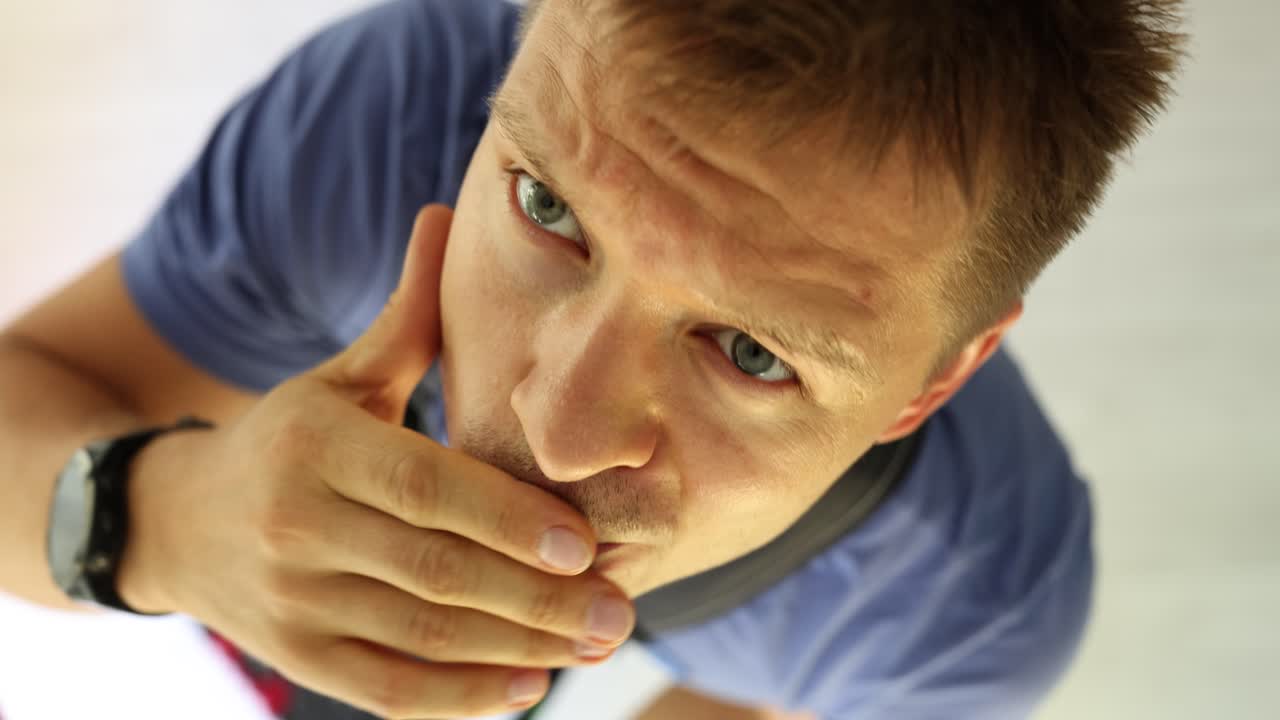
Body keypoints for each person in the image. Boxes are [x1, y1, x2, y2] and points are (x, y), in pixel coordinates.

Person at [0, 0, 1185, 718]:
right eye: (546, 209)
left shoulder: (967, 616)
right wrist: (159, 521)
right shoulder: (385, 119)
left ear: (931, 384)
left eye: (750, 352)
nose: (551, 427)